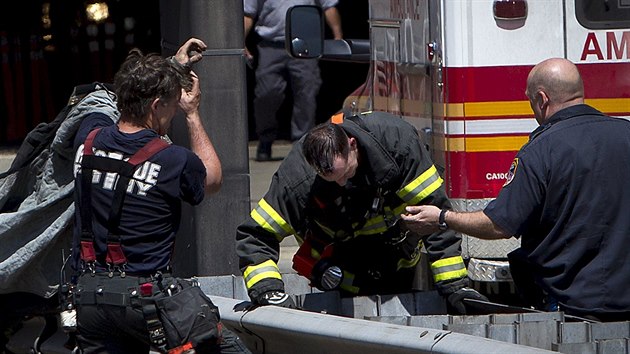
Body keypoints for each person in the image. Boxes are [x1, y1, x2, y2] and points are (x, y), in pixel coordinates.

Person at [401, 58, 630, 322]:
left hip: (573, 308)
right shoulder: (625, 134)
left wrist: (443, 218)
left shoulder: (540, 151)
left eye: (531, 101)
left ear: (542, 99)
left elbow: (499, 225)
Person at [70, 38, 250, 353]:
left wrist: (172, 68)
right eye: (170, 104)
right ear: (157, 106)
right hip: (147, 301)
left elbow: (123, 93)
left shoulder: (88, 138)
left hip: (89, 299)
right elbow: (213, 180)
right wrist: (192, 114)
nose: (172, 113)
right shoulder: (171, 160)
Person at [236, 110, 487, 313]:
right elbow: (256, 236)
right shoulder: (297, 179)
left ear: (352, 144)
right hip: (341, 264)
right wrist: (267, 290)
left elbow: (435, 216)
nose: (343, 184)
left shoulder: (398, 145)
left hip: (396, 254)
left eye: (346, 174)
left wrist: (455, 287)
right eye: (332, 179)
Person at [244, 0, 343, 161]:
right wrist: (242, 41)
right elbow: (248, 13)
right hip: (271, 45)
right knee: (267, 93)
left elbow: (329, 6)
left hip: (305, 43)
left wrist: (338, 37)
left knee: (307, 93)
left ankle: (302, 143)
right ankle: (265, 139)